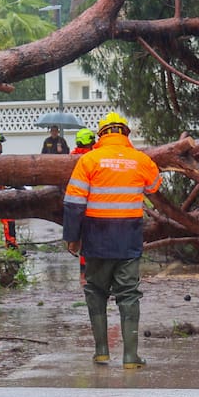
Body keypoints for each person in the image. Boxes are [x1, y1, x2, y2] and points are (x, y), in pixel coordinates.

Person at [63, 112, 161, 368]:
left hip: (96, 238)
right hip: (128, 237)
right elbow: (154, 186)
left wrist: (72, 238)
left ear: (101, 135)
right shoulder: (140, 159)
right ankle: (130, 357)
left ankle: (102, 352)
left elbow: (73, 204)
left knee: (96, 291)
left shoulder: (88, 160)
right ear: (125, 134)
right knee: (128, 294)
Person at [69, 127, 97, 285]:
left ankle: (83, 276)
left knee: (80, 238)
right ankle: (87, 275)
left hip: (74, 203)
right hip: (91, 203)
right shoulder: (92, 157)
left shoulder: (71, 157)